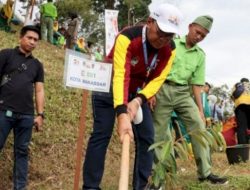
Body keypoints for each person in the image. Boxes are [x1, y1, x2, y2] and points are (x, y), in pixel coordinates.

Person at [82, 3, 182, 190]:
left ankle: (141, 185)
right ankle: (90, 187)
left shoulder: (171, 48)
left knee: (147, 137)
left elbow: (159, 78)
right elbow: (121, 74)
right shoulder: (128, 37)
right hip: (109, 86)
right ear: (150, 22)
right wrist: (121, 113)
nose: (164, 39)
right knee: (101, 134)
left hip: (137, 93)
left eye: (169, 36)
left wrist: (138, 100)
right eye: (161, 33)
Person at [150, 15, 228, 185]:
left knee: (199, 127)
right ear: (190, 27)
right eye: (198, 32)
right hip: (162, 88)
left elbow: (197, 84)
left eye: (203, 36)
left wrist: (200, 110)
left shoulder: (200, 55)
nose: (199, 37)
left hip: (183, 93)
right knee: (161, 134)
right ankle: (164, 175)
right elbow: (156, 67)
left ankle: (205, 173)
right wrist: (152, 92)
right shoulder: (172, 43)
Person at [0, 25, 45, 190]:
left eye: (35, 40)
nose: (32, 42)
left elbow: (39, 89)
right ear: (21, 38)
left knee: (22, 152)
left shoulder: (37, 65)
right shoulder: (6, 55)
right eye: (29, 38)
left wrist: (40, 114)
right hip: (3, 112)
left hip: (26, 116)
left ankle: (20, 187)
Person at [231, 77, 250, 144]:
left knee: (242, 126)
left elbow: (233, 96)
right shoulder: (249, 85)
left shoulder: (237, 85)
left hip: (240, 105)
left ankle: (243, 144)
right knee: (247, 126)